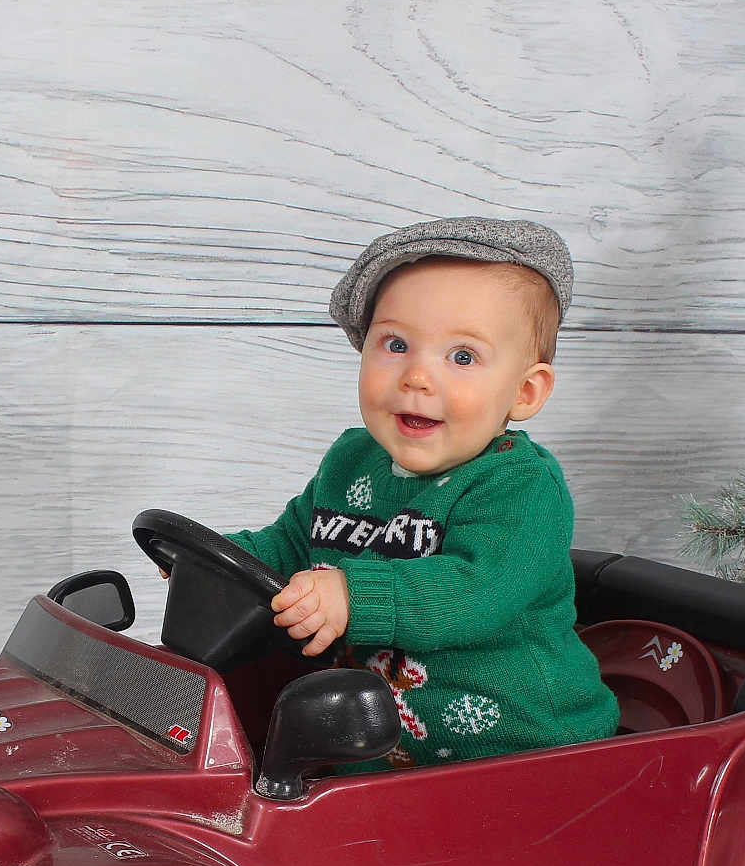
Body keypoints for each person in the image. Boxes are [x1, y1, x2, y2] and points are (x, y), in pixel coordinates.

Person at [227, 216, 618, 768]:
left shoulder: (521, 487)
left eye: (461, 357)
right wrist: (223, 561)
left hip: (524, 750)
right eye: (395, 343)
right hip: (384, 742)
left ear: (524, 392)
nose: (416, 376)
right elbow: (298, 542)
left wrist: (351, 596)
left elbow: (471, 592)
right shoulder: (351, 461)